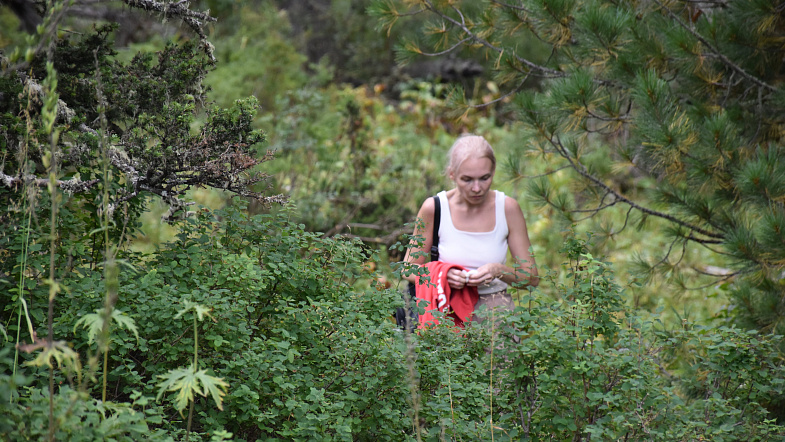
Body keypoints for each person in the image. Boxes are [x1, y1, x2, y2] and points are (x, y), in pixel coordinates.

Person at [402, 134, 538, 326]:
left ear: (493, 172)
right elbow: (408, 269)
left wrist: (498, 271)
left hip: (495, 313)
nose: (477, 188)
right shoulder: (435, 208)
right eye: (467, 179)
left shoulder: (507, 209)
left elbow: (531, 278)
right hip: (445, 311)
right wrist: (442, 277)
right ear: (452, 174)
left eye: (484, 178)